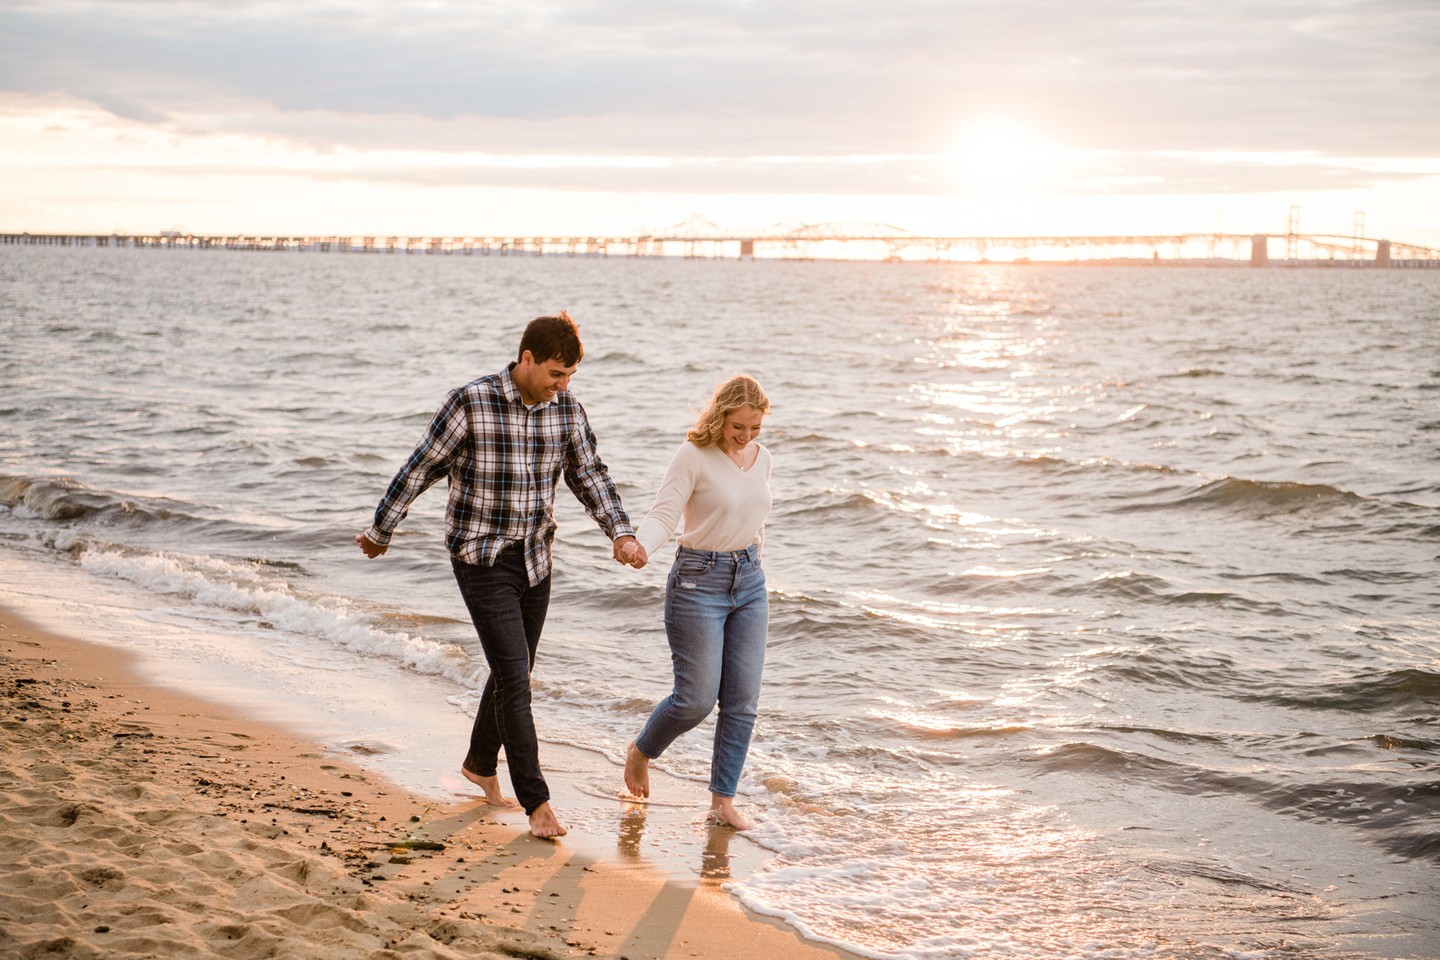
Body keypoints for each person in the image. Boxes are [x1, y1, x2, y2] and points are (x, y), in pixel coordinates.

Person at [356, 311, 641, 839]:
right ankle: (538, 802)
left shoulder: (566, 410)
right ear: (526, 360)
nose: (563, 385)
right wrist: (381, 529)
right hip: (481, 558)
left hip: (536, 559)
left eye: (571, 376)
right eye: (556, 373)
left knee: (517, 669)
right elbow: (420, 467)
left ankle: (480, 764)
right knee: (514, 678)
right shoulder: (470, 402)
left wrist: (619, 534)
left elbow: (589, 475)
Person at [620, 374, 772, 830]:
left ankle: (722, 802)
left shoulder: (763, 459)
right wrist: (641, 545)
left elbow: (754, 519)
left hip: (749, 582)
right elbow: (665, 512)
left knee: (742, 701)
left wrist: (751, 567)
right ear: (720, 416)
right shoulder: (693, 455)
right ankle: (641, 751)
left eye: (755, 429)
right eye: (738, 427)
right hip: (697, 582)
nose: (745, 437)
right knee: (695, 700)